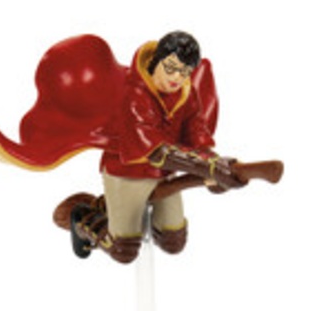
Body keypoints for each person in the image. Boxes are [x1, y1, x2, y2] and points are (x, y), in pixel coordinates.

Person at [67, 31, 244, 263]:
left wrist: (215, 165)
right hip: (127, 173)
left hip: (165, 174)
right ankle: (84, 219)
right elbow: (155, 150)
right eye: (170, 68)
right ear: (155, 61)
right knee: (123, 249)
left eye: (185, 72)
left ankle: (110, 206)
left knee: (173, 240)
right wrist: (208, 168)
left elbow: (196, 132)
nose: (177, 77)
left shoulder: (186, 93)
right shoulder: (134, 95)